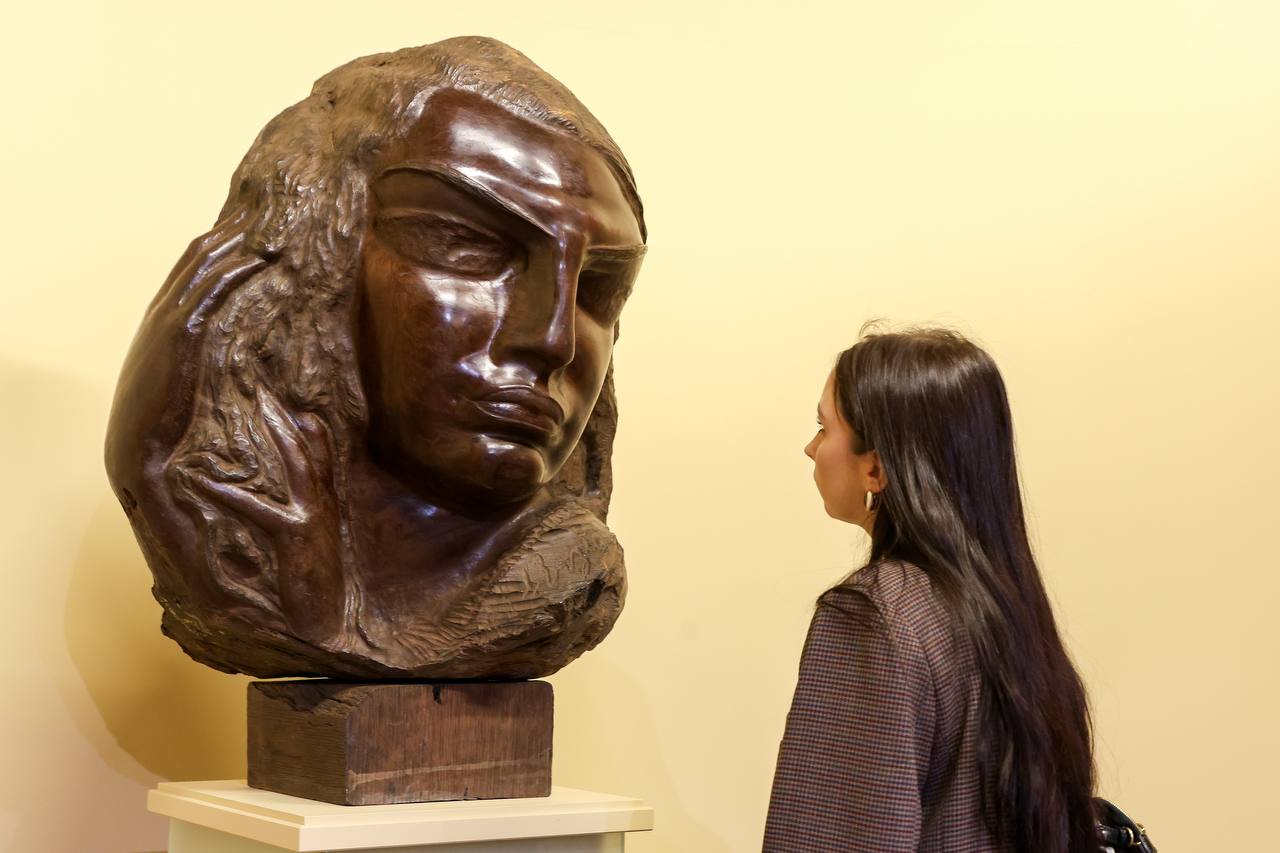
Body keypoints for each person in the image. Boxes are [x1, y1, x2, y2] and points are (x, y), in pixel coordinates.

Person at [103, 37, 647, 679]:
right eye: (464, 244)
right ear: (315, 263)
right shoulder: (245, 515)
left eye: (595, 288)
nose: (552, 339)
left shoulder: (559, 574)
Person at [764, 328, 1097, 852]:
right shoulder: (1009, 607)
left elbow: (834, 838)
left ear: (876, 467)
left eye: (823, 427)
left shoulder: (873, 615)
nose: (811, 448)